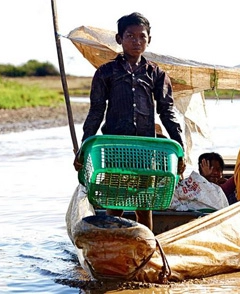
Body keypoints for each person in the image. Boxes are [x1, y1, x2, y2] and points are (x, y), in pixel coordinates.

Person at [73, 12, 184, 230]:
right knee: (116, 196)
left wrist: (180, 148)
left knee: (145, 200)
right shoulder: (106, 72)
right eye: (130, 36)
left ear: (149, 40)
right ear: (119, 39)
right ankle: (113, 238)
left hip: (146, 146)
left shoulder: (156, 74)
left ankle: (148, 243)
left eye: (142, 37)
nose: (137, 41)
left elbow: (167, 112)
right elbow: (96, 112)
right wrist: (84, 147)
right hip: (115, 145)